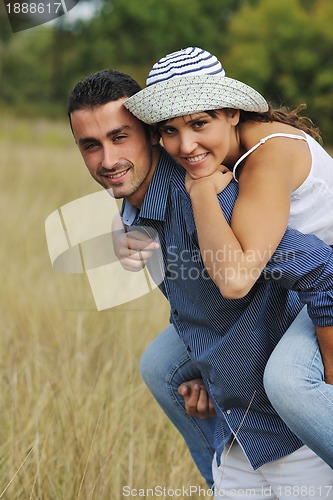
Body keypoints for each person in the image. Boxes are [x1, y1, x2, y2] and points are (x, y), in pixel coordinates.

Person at [68, 68, 333, 498]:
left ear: (150, 135)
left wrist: (328, 379)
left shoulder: (217, 199)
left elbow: (322, 270)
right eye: (90, 146)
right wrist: (206, 376)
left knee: (288, 380)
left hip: (294, 438)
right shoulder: (135, 206)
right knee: (160, 367)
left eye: (120, 137)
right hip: (237, 437)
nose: (107, 160)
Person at [124, 46, 333, 459]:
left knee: (289, 382)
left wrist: (201, 191)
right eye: (169, 130)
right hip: (297, 284)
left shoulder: (267, 157)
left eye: (199, 123)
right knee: (161, 367)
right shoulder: (219, 151)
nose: (185, 146)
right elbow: (137, 183)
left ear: (232, 112)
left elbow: (235, 280)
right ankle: (218, 475)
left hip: (323, 285)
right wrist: (125, 225)